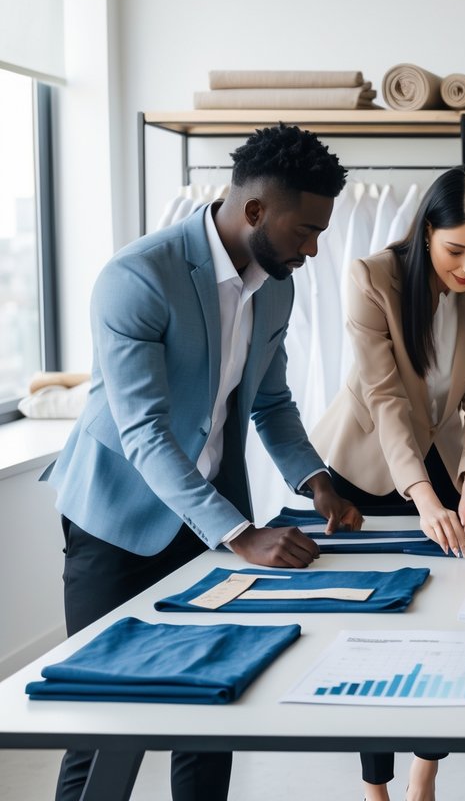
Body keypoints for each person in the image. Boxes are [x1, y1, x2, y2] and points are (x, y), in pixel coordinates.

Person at [44, 123, 362, 801]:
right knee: (104, 715)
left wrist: (317, 483)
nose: (312, 251)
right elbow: (145, 435)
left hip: (207, 518)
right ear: (254, 211)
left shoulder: (275, 286)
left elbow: (270, 402)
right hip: (115, 520)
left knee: (211, 705)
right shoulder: (137, 277)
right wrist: (243, 534)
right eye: (304, 231)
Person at [310, 165, 465, 801]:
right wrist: (424, 500)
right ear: (427, 231)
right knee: (372, 627)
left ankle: (424, 771)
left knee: (446, 624)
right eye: (457, 250)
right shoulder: (371, 277)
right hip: (365, 462)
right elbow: (385, 396)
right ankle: (376, 787)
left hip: (443, 460)